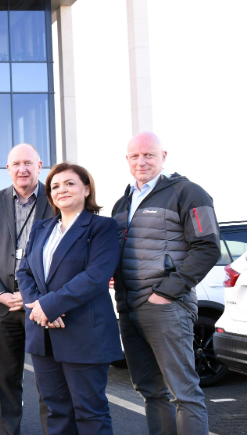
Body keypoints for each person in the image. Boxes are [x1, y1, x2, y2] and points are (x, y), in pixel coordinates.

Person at [112, 132, 218, 434]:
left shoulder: (188, 192)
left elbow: (207, 246)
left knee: (183, 392)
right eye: (134, 156)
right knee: (150, 390)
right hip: (129, 308)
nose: (141, 161)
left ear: (163, 156)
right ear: (128, 160)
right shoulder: (123, 202)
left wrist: (167, 292)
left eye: (148, 154)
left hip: (167, 307)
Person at [17, 163, 121, 434]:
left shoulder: (102, 227)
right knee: (56, 411)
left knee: (90, 413)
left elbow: (96, 276)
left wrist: (50, 306)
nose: (61, 189)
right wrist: (39, 308)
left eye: (70, 183)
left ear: (86, 189)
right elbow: (24, 271)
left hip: (84, 334)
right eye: (55, 186)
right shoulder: (41, 228)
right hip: (44, 335)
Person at [0, 143, 52, 435]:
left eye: (28, 163)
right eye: (16, 164)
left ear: (39, 165)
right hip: (2, 307)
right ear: (8, 169)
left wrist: (37, 296)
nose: (22, 169)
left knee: (49, 382)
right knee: (5, 381)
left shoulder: (54, 198)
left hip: (43, 305)